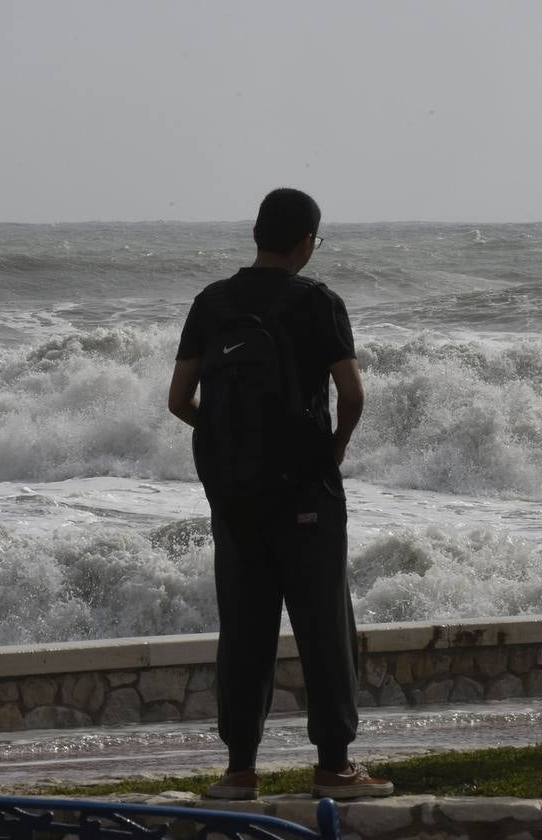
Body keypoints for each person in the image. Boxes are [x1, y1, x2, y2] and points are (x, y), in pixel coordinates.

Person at [167, 188, 391, 800]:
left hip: (235, 495)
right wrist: (334, 446)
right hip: (305, 491)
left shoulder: (212, 302)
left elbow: (178, 399)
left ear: (257, 234)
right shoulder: (317, 303)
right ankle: (335, 767)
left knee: (244, 629)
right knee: (323, 623)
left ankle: (239, 772)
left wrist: (226, 437)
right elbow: (353, 395)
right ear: (306, 242)